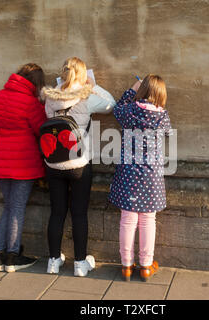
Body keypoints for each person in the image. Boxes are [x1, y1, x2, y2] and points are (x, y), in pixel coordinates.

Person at [41, 57, 116, 277]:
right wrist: (93, 86)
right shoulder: (87, 96)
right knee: (79, 214)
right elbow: (111, 104)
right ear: (82, 75)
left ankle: (53, 262)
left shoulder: (50, 98)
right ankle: (80, 264)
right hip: (79, 164)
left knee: (56, 212)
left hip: (53, 163)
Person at [108, 74, 172, 282]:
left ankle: (126, 265)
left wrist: (131, 90)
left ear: (142, 91)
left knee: (127, 219)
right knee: (148, 220)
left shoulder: (129, 111)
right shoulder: (162, 116)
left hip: (128, 173)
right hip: (151, 175)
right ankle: (145, 265)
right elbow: (168, 133)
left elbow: (117, 108)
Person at [0, 63, 47, 272]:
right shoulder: (30, 102)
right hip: (23, 160)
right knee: (17, 208)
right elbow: (42, 129)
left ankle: (0, 256)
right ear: (36, 83)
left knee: (8, 207)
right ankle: (12, 257)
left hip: (1, 157)